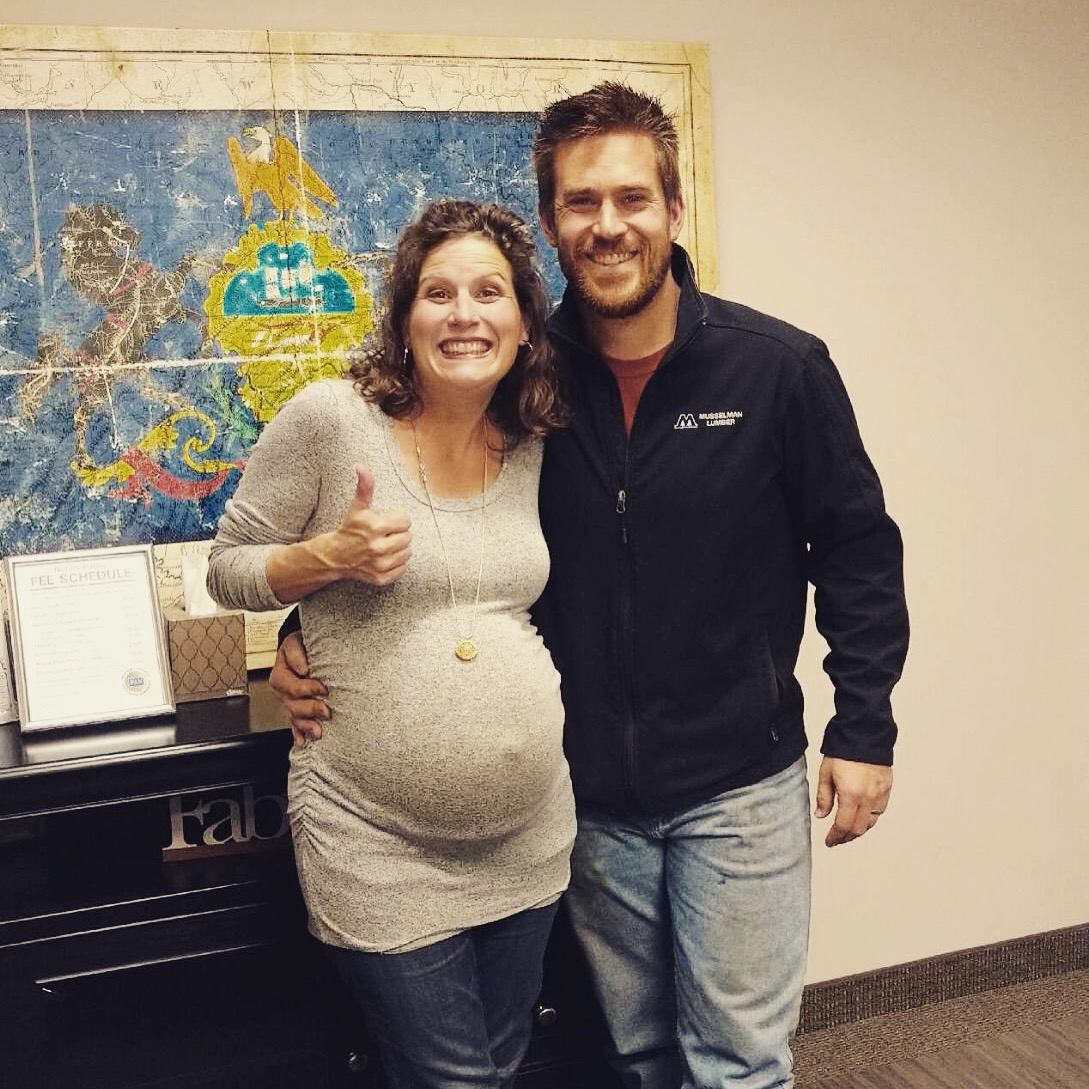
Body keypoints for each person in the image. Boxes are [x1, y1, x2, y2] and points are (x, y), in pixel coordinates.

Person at [272, 84, 909, 1089]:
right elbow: (435, 529)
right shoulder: (517, 380)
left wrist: (864, 727)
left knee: (738, 1064)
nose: (608, 225)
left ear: (673, 210)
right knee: (639, 1056)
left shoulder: (776, 369)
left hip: (739, 782)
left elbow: (859, 552)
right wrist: (303, 631)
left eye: (631, 198)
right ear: (551, 222)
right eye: (581, 202)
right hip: (588, 798)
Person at [206, 198, 576, 1089]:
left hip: (529, 836)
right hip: (377, 843)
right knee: (455, 1079)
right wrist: (324, 558)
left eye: (488, 292)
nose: (463, 315)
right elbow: (227, 567)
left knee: (501, 1064)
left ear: (525, 322)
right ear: (403, 318)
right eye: (436, 293)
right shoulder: (331, 420)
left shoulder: (531, 438)